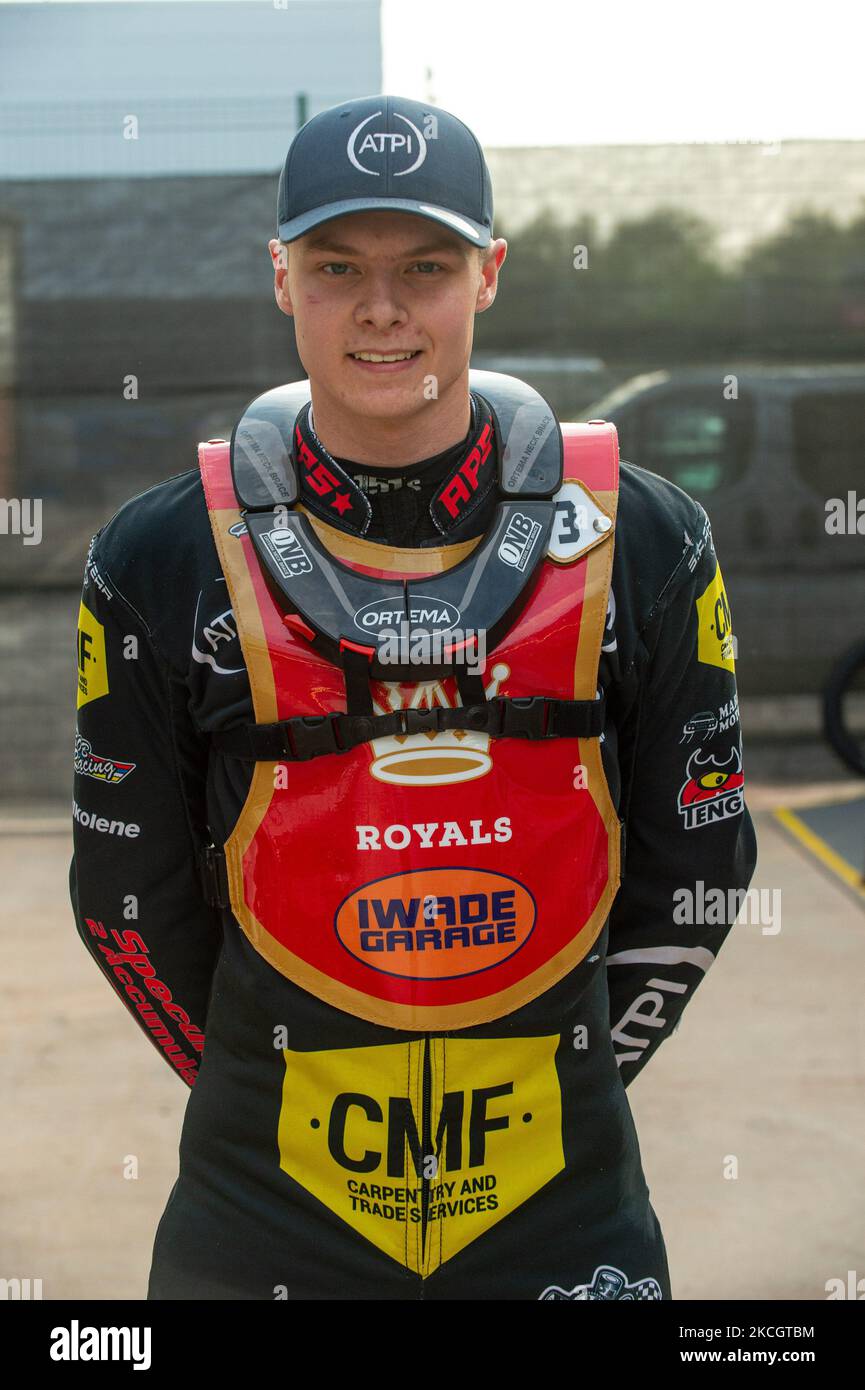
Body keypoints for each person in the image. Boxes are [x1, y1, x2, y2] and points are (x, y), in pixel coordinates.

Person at [69, 94, 757, 1301]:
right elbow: (130, 900)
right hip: (260, 1222)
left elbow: (694, 870)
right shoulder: (160, 557)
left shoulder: (645, 536)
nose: (381, 309)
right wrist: (253, 1084)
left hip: (563, 1215)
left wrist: (576, 1076)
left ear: (488, 273)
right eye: (337, 267)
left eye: (424, 266)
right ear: (280, 277)